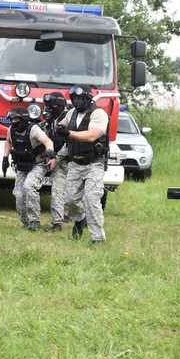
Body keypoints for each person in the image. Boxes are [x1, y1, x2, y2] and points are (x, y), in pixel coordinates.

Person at [56, 85, 109, 244]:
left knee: (91, 198)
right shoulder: (71, 113)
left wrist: (69, 133)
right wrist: (57, 129)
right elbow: (62, 126)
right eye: (74, 99)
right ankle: (80, 219)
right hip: (75, 163)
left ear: (87, 99)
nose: (77, 101)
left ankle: (97, 238)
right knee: (69, 201)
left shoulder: (98, 113)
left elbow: (92, 135)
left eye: (80, 98)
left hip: (94, 163)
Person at [2, 107, 55, 231]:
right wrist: (5, 158)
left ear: (23, 119)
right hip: (22, 165)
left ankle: (34, 221)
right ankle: (26, 222)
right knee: (18, 194)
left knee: (29, 187)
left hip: (38, 164)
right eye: (11, 120)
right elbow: (8, 142)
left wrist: (51, 155)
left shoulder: (34, 129)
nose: (13, 123)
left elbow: (48, 142)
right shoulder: (11, 129)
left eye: (15, 120)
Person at [42, 92, 69, 231]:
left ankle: (83, 219)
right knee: (57, 191)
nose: (48, 109)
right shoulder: (52, 119)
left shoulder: (68, 118)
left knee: (77, 194)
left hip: (71, 161)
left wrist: (56, 158)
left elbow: (69, 143)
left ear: (59, 106)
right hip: (58, 160)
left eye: (50, 106)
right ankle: (57, 223)